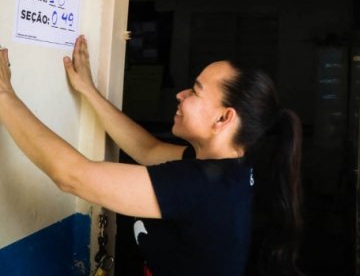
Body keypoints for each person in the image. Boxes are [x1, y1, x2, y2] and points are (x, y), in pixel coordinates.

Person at [0, 35, 303, 276]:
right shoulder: (229, 168)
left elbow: (72, 176)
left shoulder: (201, 186)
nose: (180, 94)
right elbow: (148, 150)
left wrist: (4, 97)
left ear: (223, 119)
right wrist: (89, 91)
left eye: (195, 92)